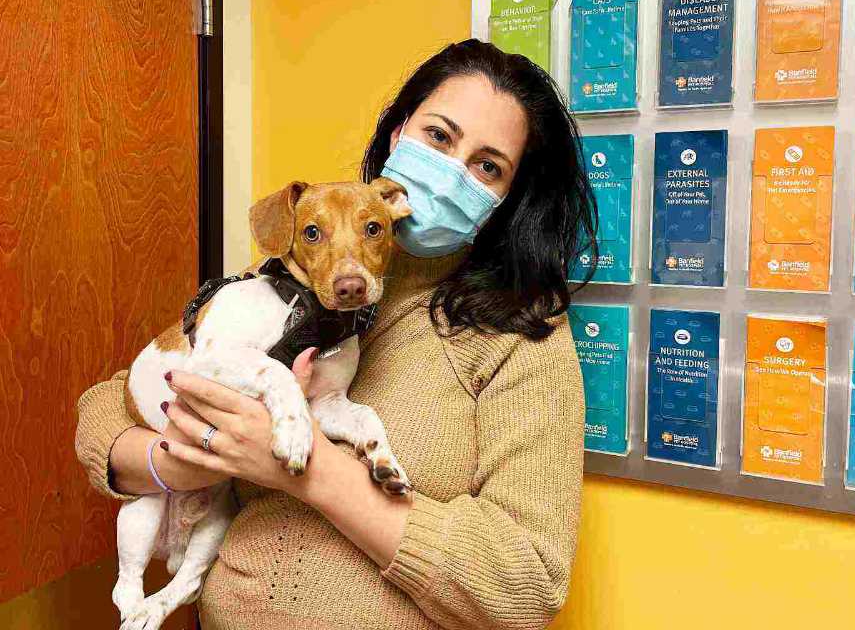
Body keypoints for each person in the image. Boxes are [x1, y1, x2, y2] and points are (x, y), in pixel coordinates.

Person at [76, 38, 598, 630]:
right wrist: (175, 463)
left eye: (487, 166)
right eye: (439, 136)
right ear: (398, 136)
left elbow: (528, 583)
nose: (452, 172)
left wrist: (312, 472)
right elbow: (114, 400)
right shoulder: (311, 263)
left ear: (507, 197)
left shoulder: (523, 331)